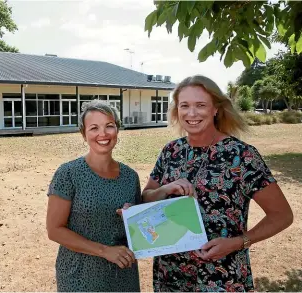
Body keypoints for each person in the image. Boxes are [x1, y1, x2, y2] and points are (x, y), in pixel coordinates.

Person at [142, 75, 294, 292]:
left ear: (215, 109)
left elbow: (282, 216)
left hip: (222, 277)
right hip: (171, 276)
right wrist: (166, 189)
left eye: (200, 105)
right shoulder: (170, 152)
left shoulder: (242, 156)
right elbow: (147, 197)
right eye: (184, 105)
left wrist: (237, 242)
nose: (191, 113)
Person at [46, 100, 141, 292]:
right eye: (94, 128)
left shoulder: (131, 177)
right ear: (84, 134)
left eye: (109, 126)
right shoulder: (68, 174)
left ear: (117, 130)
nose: (103, 134)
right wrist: (105, 251)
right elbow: (54, 230)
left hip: (123, 276)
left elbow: (139, 232)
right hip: (80, 277)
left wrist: (133, 218)